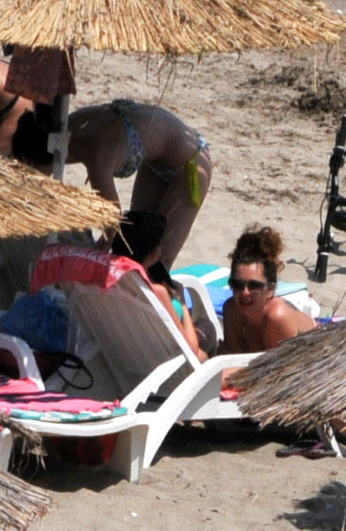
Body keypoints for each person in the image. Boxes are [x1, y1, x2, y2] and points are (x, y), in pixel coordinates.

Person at [68, 98, 212, 274]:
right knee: (136, 247)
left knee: (158, 262)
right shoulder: (71, 124)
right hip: (157, 160)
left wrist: (92, 256)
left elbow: (113, 227)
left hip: (191, 163)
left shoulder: (98, 156)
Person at [218, 227, 319, 355]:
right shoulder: (231, 309)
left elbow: (283, 370)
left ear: (270, 290)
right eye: (237, 284)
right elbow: (232, 359)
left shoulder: (277, 317)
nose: (244, 292)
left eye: (254, 285)